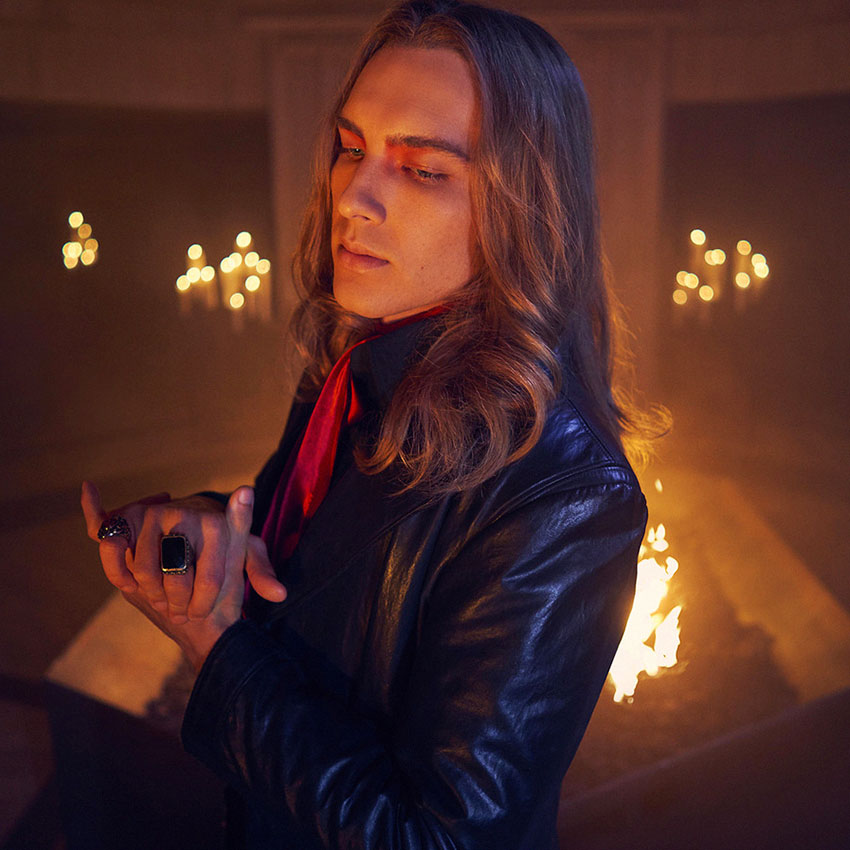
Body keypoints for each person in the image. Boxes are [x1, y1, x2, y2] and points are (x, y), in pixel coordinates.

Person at [81, 1, 655, 847]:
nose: (354, 196)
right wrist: (216, 538)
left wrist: (218, 644)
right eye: (352, 149)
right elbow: (316, 589)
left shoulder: (565, 494)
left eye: (422, 169)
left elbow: (439, 838)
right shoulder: (354, 374)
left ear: (524, 207)